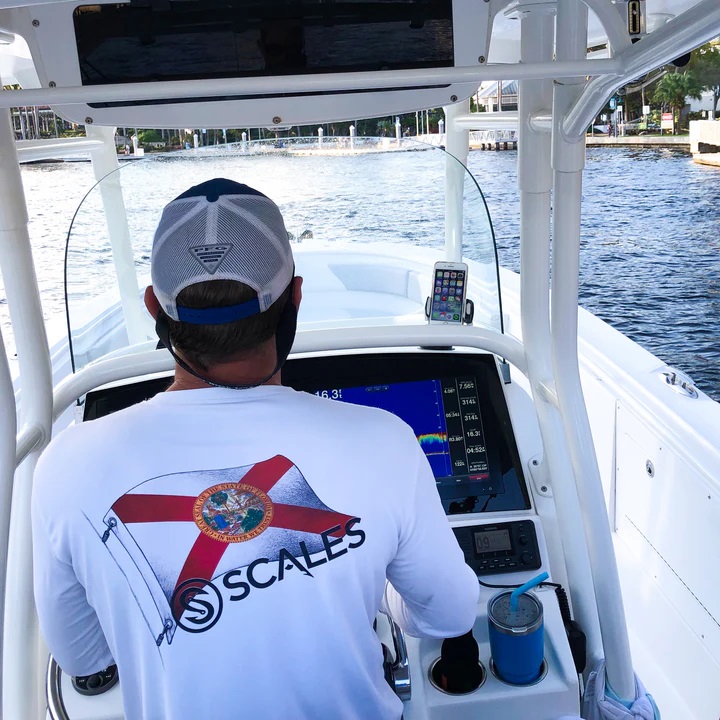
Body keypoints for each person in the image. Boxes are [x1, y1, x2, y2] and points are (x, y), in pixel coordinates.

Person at [32, 178, 479, 719]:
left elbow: (83, 656)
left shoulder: (67, 464)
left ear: (154, 308)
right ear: (295, 297)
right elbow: (449, 614)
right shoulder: (385, 440)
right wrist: (378, 588)